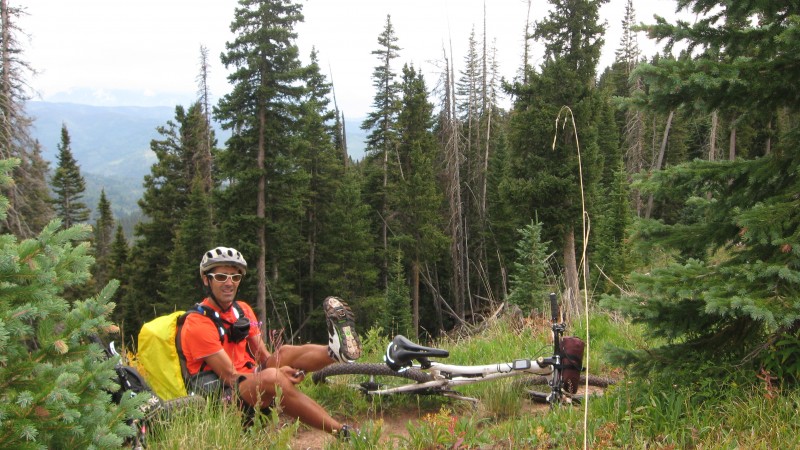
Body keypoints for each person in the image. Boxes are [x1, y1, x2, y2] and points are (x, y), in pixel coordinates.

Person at [179, 246, 362, 437]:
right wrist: (276, 374)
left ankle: (334, 352)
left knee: (284, 352)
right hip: (221, 400)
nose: (229, 283)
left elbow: (265, 357)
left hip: (249, 385)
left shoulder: (241, 310)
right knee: (273, 378)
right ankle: (342, 433)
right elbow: (230, 377)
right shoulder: (197, 322)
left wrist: (279, 367)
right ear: (206, 279)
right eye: (221, 277)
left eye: (235, 277)